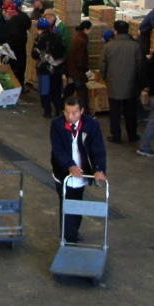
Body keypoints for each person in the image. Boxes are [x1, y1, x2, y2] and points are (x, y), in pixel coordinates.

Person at [50, 95, 106, 243]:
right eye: (67, 112)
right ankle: (68, 237)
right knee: (67, 203)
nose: (70, 116)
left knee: (78, 202)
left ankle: (72, 232)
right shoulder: (57, 125)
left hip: (82, 174)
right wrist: (70, 165)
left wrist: (99, 169)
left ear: (81, 111)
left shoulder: (91, 125)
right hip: (63, 174)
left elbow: (98, 148)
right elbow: (58, 150)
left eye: (74, 112)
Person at [100, 20, 143, 144]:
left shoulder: (108, 46)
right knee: (130, 112)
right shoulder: (135, 46)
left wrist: (106, 78)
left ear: (115, 31)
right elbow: (140, 66)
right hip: (131, 85)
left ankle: (116, 136)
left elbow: (103, 66)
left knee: (115, 113)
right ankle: (132, 135)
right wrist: (138, 82)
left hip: (113, 84)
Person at [32, 17, 66, 117]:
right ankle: (58, 109)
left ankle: (47, 111)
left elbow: (34, 54)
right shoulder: (57, 36)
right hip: (57, 69)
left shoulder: (39, 39)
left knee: (45, 91)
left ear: (39, 28)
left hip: (45, 70)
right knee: (56, 91)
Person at [65, 21, 93, 112]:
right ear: (86, 29)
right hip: (77, 72)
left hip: (72, 71)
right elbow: (80, 59)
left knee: (69, 90)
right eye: (90, 29)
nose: (91, 31)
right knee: (82, 94)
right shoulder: (82, 41)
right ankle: (85, 113)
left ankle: (62, 108)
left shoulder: (76, 38)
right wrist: (86, 70)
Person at [6, 0, 32, 87]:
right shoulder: (23, 16)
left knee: (9, 66)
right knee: (20, 67)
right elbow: (29, 26)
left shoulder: (8, 15)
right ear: (20, 6)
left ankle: (9, 85)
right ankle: (19, 85)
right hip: (20, 46)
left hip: (8, 45)